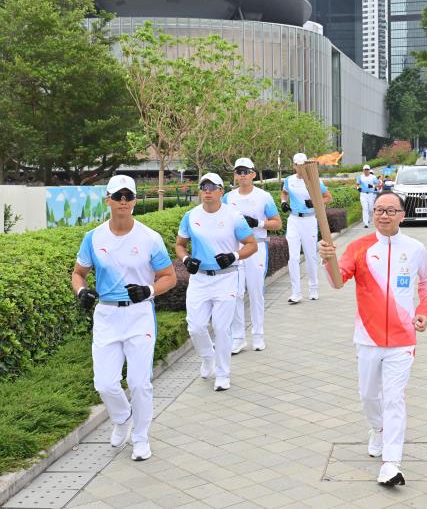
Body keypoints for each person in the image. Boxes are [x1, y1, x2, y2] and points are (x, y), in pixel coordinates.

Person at [318, 192, 427, 486]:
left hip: (403, 339)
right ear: (373, 214)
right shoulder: (359, 247)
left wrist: (423, 310)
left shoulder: (416, 248)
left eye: (391, 210)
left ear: (402, 215)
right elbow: (336, 281)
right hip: (368, 338)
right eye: (379, 210)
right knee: (368, 396)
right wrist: (328, 260)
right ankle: (378, 430)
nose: (384, 215)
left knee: (395, 399)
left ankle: (391, 463)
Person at [72, 175, 177, 461]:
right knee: (104, 384)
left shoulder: (149, 237)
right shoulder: (93, 237)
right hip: (106, 315)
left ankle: (141, 437)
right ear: (107, 199)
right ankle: (122, 418)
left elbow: (169, 277)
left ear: (135, 201)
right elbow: (78, 273)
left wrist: (149, 290)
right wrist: (81, 291)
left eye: (128, 196)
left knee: (139, 382)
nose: (123, 201)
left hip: (139, 314)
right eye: (117, 196)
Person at [176, 173, 257, 392]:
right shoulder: (190, 216)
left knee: (221, 329)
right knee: (195, 326)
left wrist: (234, 256)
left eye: (212, 186)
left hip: (226, 278)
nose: (207, 190)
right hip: (200, 279)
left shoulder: (233, 216)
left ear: (221, 191)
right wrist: (186, 259)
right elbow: (180, 245)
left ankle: (222, 374)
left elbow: (251, 244)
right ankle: (207, 357)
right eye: (203, 186)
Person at [222, 158, 283, 354]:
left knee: (256, 292)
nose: (242, 175)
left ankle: (258, 335)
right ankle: (238, 338)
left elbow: (277, 223)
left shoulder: (264, 196)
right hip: (236, 249)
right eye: (239, 171)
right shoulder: (228, 198)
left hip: (257, 247)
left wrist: (257, 223)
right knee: (236, 294)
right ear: (235, 175)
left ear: (253, 174)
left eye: (246, 171)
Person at [281, 153, 333, 303]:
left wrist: (316, 202)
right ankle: (296, 293)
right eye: (297, 165)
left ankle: (313, 288)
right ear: (294, 166)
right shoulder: (289, 180)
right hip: (294, 220)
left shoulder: (314, 180)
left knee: (311, 256)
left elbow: (328, 197)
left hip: (309, 220)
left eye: (302, 165)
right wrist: (284, 202)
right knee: (293, 257)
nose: (300, 167)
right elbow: (284, 193)